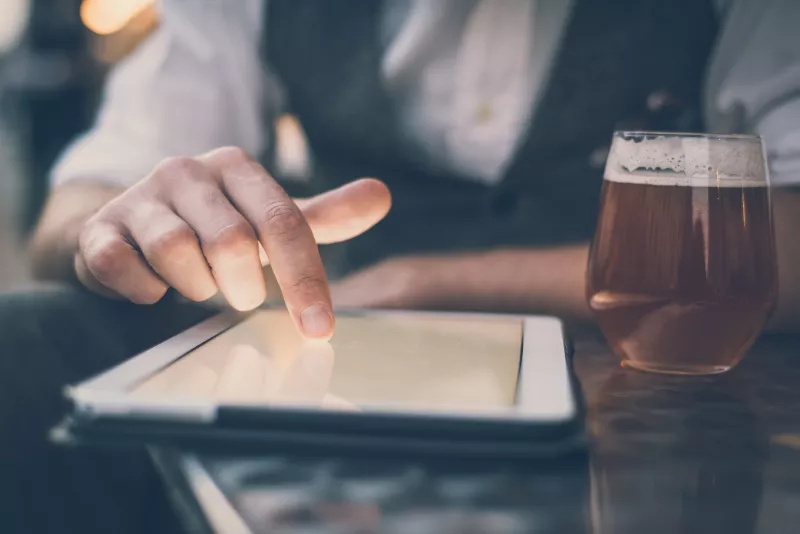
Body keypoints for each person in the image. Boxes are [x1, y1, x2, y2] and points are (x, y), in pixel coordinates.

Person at [2, 0, 799, 532]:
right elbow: (76, 210)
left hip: (644, 378)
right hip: (355, 363)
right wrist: (110, 230)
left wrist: (425, 282)